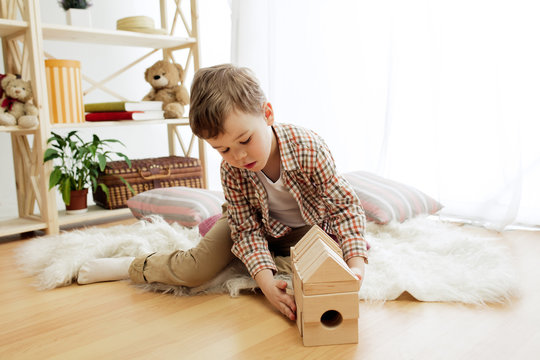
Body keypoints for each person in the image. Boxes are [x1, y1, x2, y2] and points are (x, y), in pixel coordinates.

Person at [77, 64, 368, 321]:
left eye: (245, 140)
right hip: (251, 222)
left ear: (267, 114)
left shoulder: (308, 147)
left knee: (333, 260)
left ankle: (221, 235)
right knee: (196, 269)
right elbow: (246, 230)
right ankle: (133, 266)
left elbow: (344, 208)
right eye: (224, 149)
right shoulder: (231, 169)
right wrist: (266, 284)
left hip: (304, 227)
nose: (239, 156)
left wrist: (355, 266)